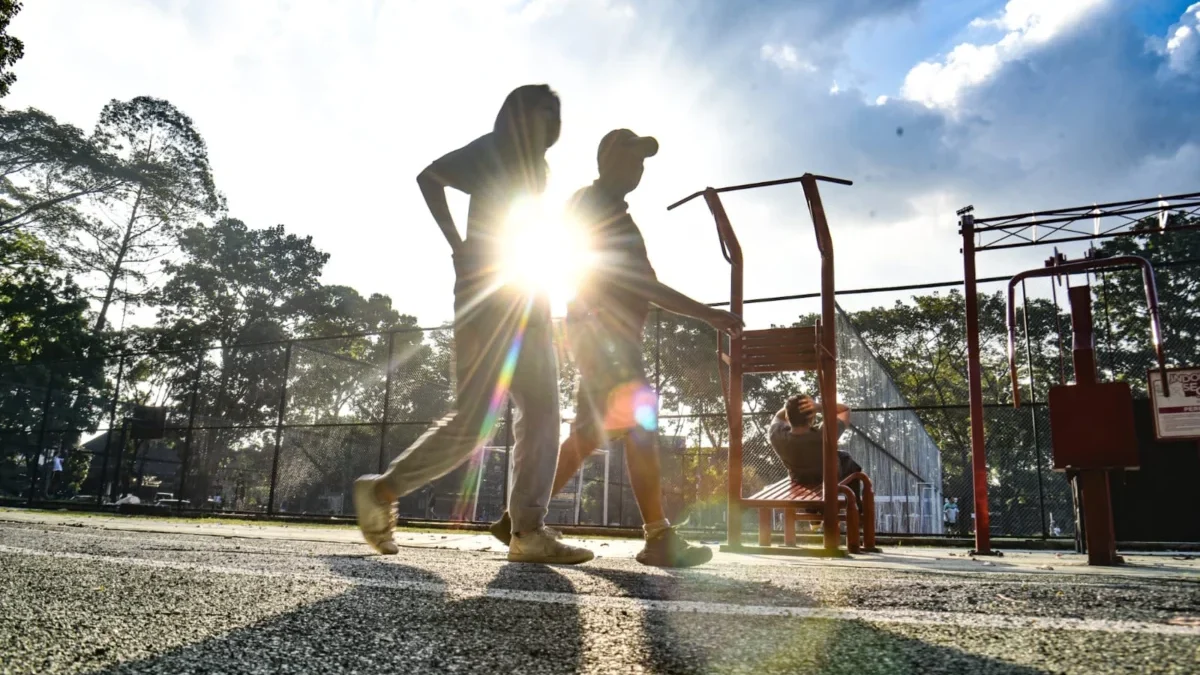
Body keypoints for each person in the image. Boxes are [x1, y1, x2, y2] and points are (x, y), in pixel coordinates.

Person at [353, 85, 593, 565]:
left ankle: (527, 530)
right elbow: (429, 177)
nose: (550, 124)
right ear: (518, 118)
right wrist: (457, 243)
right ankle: (380, 492)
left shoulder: (539, 171)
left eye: (555, 116)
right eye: (542, 114)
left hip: (528, 297)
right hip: (487, 298)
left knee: (545, 412)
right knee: (474, 422)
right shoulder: (492, 149)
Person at [487, 129, 743, 567]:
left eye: (642, 163)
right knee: (640, 430)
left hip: (602, 338)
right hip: (606, 341)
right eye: (629, 159)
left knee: (587, 437)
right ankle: (658, 536)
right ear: (606, 159)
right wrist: (709, 314)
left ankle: (516, 518)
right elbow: (641, 283)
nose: (637, 169)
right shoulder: (595, 205)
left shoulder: (607, 210)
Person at [768, 394, 863, 513]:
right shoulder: (824, 435)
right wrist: (818, 407)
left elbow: (778, 416)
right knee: (847, 460)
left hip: (799, 478)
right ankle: (857, 507)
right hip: (829, 478)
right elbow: (845, 410)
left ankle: (812, 510)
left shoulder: (777, 436)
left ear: (787, 416)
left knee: (842, 456)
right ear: (812, 417)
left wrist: (792, 407)